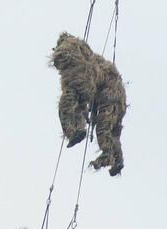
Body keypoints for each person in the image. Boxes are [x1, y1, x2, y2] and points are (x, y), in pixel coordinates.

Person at [51, 32, 127, 176]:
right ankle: (116, 159)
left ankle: (75, 131)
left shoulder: (76, 56)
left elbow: (82, 88)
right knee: (111, 128)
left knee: (69, 104)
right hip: (116, 92)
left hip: (106, 90)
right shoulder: (94, 61)